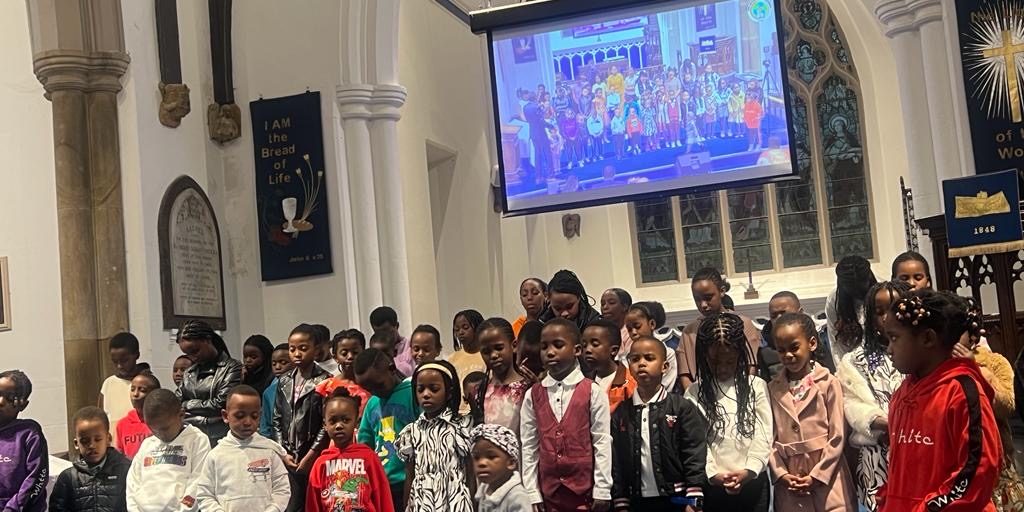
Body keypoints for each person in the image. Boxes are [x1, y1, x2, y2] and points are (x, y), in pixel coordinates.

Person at [879, 290, 1002, 512]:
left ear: (927, 339)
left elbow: (978, 470)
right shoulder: (902, 394)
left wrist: (929, 507)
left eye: (894, 338)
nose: (889, 349)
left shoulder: (962, 392)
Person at [519, 319, 612, 512]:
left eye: (558, 345)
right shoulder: (532, 395)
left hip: (585, 494)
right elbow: (529, 446)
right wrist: (531, 491)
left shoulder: (593, 391)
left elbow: (602, 441)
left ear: (577, 350)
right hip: (548, 495)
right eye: (544, 347)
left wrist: (602, 488)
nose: (550, 352)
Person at [684, 314, 773, 511]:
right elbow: (696, 442)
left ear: (740, 356)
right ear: (704, 356)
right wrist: (712, 473)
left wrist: (750, 470)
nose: (723, 368)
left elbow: (764, 433)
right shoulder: (693, 393)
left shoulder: (756, 386)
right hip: (714, 485)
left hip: (754, 482)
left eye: (730, 361)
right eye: (715, 362)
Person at [768, 313, 855, 511]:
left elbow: (838, 436)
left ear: (812, 343)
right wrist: (781, 474)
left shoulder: (829, 383)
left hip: (829, 479)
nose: (788, 355)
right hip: (791, 483)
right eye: (781, 350)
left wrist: (818, 476)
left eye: (794, 347)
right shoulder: (772, 389)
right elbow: (769, 439)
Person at [837, 281, 910, 512]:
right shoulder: (855, 359)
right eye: (879, 312)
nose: (887, 317)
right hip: (878, 455)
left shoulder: (921, 350)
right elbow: (852, 403)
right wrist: (883, 422)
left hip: (918, 446)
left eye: (894, 308)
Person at [612, 336, 707, 511]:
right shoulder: (621, 413)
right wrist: (621, 501)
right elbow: (617, 461)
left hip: (677, 497)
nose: (641, 363)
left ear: (665, 366)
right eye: (635, 359)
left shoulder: (681, 407)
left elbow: (694, 451)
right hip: (636, 501)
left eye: (649, 358)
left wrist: (694, 496)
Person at [955, 305, 1021, 510]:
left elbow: (1007, 405)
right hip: (958, 461)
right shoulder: (936, 365)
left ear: (973, 335)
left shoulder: (994, 362)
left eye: (957, 333)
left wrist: (975, 369)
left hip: (994, 457)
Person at [195, 385, 290, 511]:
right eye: (240, 416)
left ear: (260, 415)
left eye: (254, 416)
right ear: (225, 416)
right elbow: (205, 494)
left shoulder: (269, 451)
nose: (248, 422)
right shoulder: (216, 455)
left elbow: (282, 489)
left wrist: (273, 509)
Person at [396, 361, 475, 512]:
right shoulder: (411, 432)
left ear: (449, 392)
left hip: (455, 502)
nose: (426, 394)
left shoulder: (461, 427)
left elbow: (471, 472)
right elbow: (410, 475)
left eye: (434, 389)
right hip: (422, 503)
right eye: (420, 389)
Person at [274, 323, 332, 512]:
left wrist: (312, 454)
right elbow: (277, 419)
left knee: (314, 504)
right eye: (292, 349)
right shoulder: (283, 381)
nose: (297, 354)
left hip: (313, 453)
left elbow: (326, 423)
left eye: (303, 348)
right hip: (288, 454)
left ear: (316, 350)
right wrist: (282, 451)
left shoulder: (325, 380)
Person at [307, 388, 393, 512]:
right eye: (333, 421)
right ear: (325, 425)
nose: (339, 425)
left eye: (345, 420)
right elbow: (313, 504)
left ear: (356, 422)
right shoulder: (320, 464)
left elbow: (383, 496)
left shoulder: (369, 458)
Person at [355, 349, 420, 512]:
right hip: (381, 484)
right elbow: (365, 444)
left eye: (378, 385)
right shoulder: (372, 403)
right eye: (368, 388)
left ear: (391, 369)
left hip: (410, 480)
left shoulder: (413, 393)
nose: (375, 391)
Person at [127, 389, 210, 512]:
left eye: (164, 429)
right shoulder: (147, 444)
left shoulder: (197, 440)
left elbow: (198, 481)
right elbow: (133, 481)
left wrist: (184, 509)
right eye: (153, 429)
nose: (159, 434)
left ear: (181, 415)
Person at [678, 268, 760, 389]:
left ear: (721, 291)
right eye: (697, 299)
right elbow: (685, 374)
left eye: (708, 297)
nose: (703, 305)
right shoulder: (689, 332)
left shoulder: (743, 324)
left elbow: (751, 365)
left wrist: (744, 392)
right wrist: (695, 397)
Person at [176, 320, 244, 446]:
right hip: (191, 436)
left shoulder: (231, 367)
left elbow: (221, 404)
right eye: (187, 354)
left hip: (219, 436)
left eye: (195, 351)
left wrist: (188, 404)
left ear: (207, 340)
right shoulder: (189, 372)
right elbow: (176, 403)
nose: (192, 357)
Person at [50, 406, 131, 512]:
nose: (92, 445)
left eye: (98, 439)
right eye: (85, 441)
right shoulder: (68, 478)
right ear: (76, 443)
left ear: (108, 439)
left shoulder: (126, 471)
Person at [0, 370, 47, 512]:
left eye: (10, 398)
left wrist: (12, 509)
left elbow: (37, 478)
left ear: (23, 404)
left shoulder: (29, 434)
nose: (1, 402)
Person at [475, 318, 532, 432]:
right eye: (486, 352)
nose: (494, 355)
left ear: (514, 346)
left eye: (499, 348)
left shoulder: (527, 388)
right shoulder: (481, 391)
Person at [826, 255, 878, 367]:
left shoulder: (883, 293)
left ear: (869, 277)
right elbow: (836, 346)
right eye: (852, 290)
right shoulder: (834, 300)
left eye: (861, 288)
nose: (858, 293)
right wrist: (843, 371)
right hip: (853, 365)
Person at [471, 423, 532, 512]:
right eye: (476, 458)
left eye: (491, 457)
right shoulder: (483, 490)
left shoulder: (517, 497)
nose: (481, 463)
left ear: (511, 463)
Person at [99, 332, 147, 437]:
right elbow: (100, 419)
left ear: (137, 355)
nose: (119, 366)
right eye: (115, 361)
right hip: (114, 442)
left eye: (124, 360)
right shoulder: (108, 384)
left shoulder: (147, 383)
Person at [583, 319, 636, 414]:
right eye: (584, 345)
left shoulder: (630, 384)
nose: (588, 350)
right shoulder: (581, 381)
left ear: (614, 350)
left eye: (595, 344)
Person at [316, 333, 373, 421]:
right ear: (335, 357)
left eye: (355, 352)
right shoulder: (325, 387)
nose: (350, 357)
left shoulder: (372, 386)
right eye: (344, 353)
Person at [624, 302, 679, 391]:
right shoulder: (627, 356)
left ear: (652, 324)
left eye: (637, 326)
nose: (633, 332)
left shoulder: (668, 353)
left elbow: (666, 384)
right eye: (629, 329)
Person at [538, 269, 603, 334]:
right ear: (549, 301)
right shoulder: (542, 323)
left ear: (578, 298)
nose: (564, 313)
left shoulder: (594, 323)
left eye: (569, 307)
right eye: (558, 308)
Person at [450, 310, 487, 414]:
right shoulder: (452, 359)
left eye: (465, 327)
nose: (461, 332)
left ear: (478, 328)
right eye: (457, 330)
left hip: (482, 410)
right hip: (459, 413)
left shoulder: (486, 355)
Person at [116, 372, 159, 459]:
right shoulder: (122, 424)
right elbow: (120, 455)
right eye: (132, 389)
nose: (135, 394)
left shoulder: (161, 422)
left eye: (142, 390)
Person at [371, 306, 416, 379]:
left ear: (397, 326)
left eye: (386, 331)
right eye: (378, 333)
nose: (383, 336)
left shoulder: (412, 347)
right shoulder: (374, 351)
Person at [259, 343, 292, 438]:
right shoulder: (268, 392)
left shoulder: (305, 387)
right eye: (274, 364)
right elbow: (265, 428)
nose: (277, 367)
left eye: (283, 362)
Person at [600, 288, 632, 356]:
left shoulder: (631, 332)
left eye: (611, 303)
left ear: (625, 306)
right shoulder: (602, 331)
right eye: (602, 304)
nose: (605, 307)